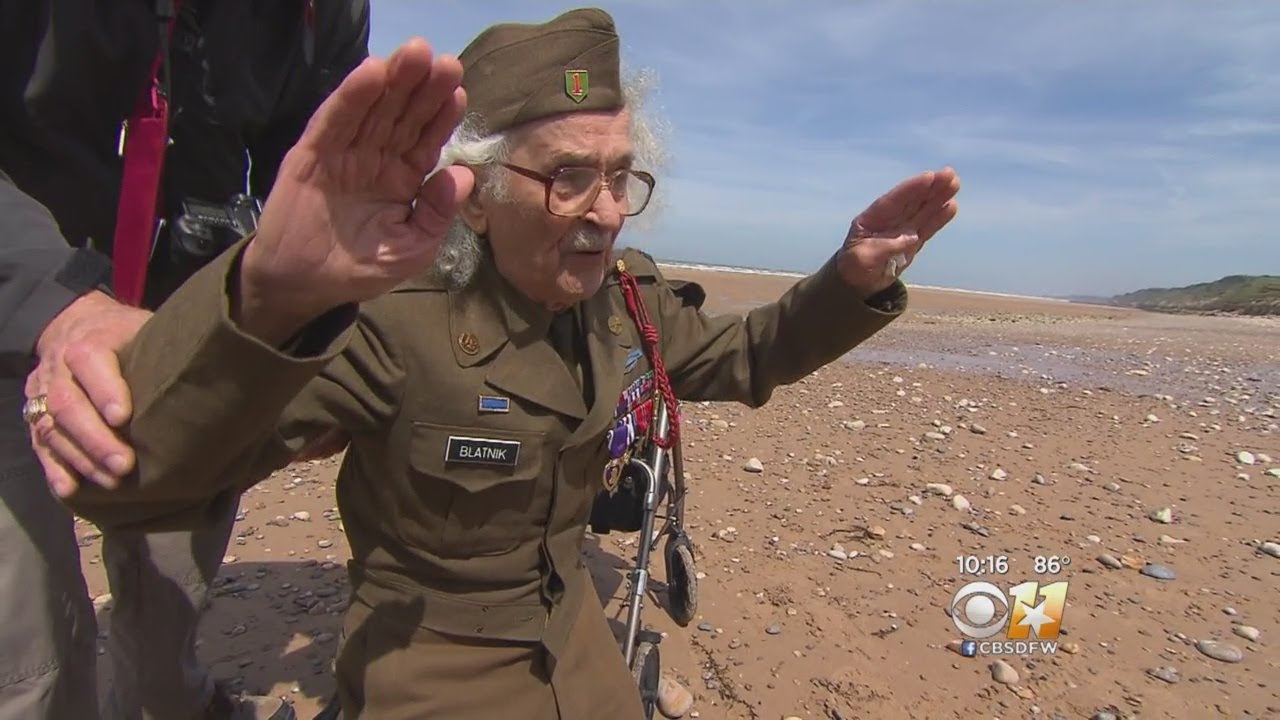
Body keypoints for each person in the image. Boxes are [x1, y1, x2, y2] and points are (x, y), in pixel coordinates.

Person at [38, 7, 960, 718]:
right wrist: (267, 296)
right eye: (567, 176)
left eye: (620, 174)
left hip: (582, 663)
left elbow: (750, 354)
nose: (606, 211)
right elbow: (145, 483)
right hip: (434, 675)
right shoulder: (392, 329)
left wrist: (848, 278)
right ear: (473, 199)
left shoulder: (624, 305)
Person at [0, 2, 371, 718]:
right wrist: (58, 306)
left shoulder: (325, 11)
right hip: (16, 303)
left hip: (187, 329)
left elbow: (314, 186)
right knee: (30, 656)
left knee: (169, 616)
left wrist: (312, 350)